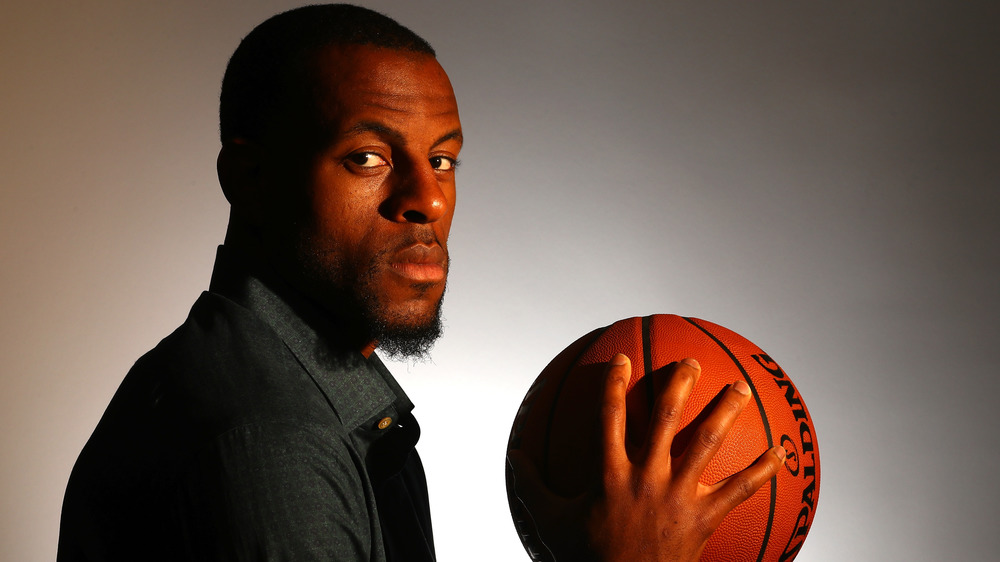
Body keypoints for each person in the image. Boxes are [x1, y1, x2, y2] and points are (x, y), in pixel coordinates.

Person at [57, 4, 786, 561]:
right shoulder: (272, 445)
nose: (428, 199)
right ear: (249, 179)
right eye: (368, 157)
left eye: (442, 160)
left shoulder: (277, 383)